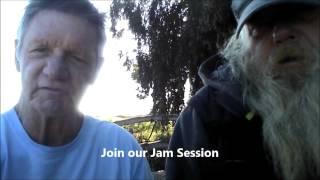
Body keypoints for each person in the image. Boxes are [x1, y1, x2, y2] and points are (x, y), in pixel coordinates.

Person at [166, 0, 320, 180]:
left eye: (299, 12)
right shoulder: (204, 120)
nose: (282, 34)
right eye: (262, 21)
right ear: (241, 42)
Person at [0, 0, 153, 179]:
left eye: (76, 57)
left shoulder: (121, 152)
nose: (54, 71)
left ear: (95, 69)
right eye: (40, 49)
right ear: (16, 55)